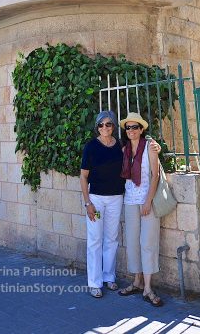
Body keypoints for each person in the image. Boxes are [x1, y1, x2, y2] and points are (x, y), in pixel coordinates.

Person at [118, 112, 163, 307]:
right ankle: (136, 282)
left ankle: (148, 288)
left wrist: (148, 201)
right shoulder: (124, 150)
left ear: (141, 129)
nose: (131, 131)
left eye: (135, 127)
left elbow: (155, 176)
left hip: (147, 201)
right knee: (133, 242)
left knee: (148, 242)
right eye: (128, 128)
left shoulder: (150, 147)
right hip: (129, 200)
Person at [80, 110, 124, 298]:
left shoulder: (119, 146)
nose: (104, 128)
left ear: (113, 126)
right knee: (95, 239)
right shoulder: (91, 147)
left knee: (112, 239)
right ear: (97, 127)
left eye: (108, 124)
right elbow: (83, 176)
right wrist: (88, 203)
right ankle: (95, 282)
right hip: (96, 201)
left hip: (115, 198)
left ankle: (109, 277)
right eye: (101, 125)